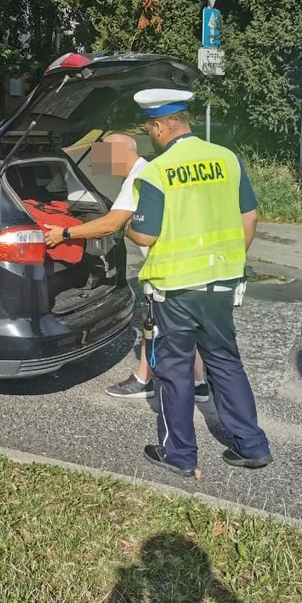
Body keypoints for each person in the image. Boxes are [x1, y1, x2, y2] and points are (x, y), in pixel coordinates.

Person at [127, 88, 272, 476]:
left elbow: (145, 235)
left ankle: (179, 455)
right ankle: (253, 447)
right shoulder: (227, 159)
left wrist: (126, 225)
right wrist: (229, 259)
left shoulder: (158, 171)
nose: (150, 134)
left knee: (174, 371)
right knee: (225, 363)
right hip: (222, 283)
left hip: (175, 290)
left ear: (160, 125)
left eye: (149, 128)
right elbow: (250, 216)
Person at [43, 133, 210, 402]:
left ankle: (146, 380)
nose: (101, 163)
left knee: (154, 322)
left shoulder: (139, 177)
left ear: (119, 153)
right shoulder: (148, 170)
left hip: (169, 264)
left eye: (104, 156)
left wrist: (65, 234)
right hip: (193, 260)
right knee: (186, 322)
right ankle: (198, 382)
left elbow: (111, 223)